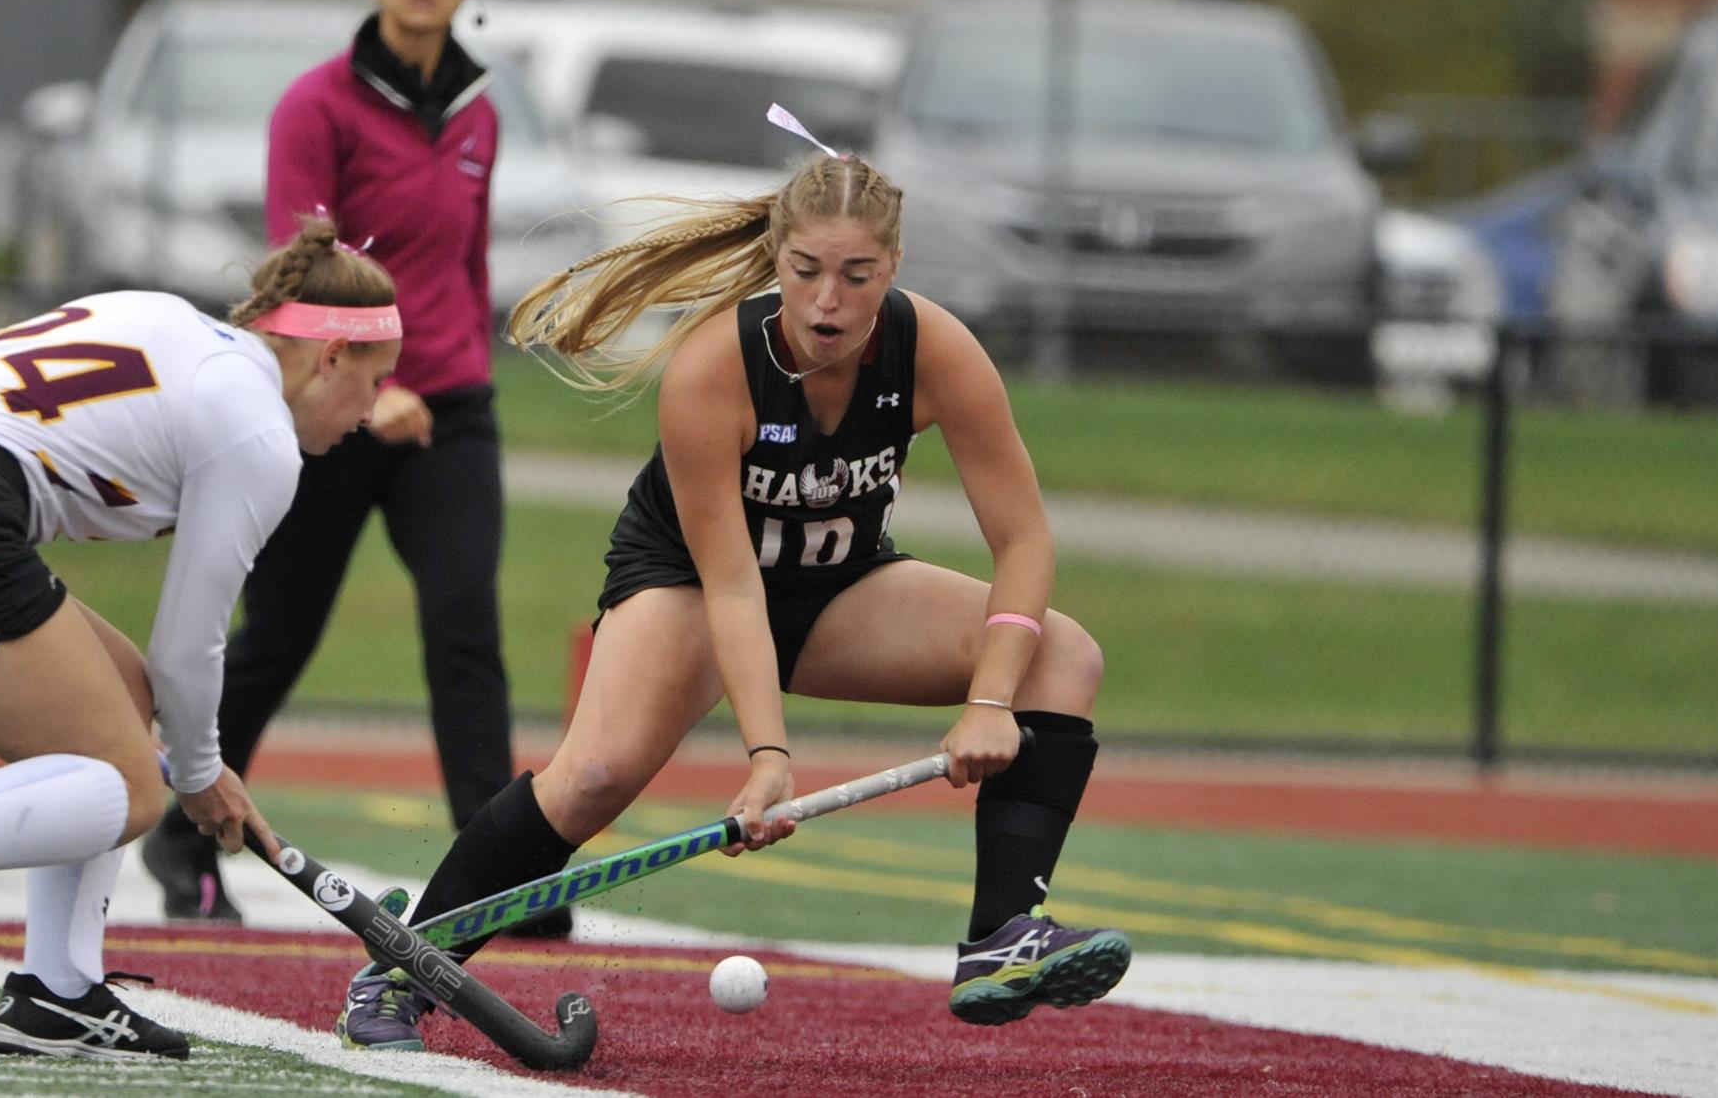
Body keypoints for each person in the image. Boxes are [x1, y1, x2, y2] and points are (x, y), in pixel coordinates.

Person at [329, 138, 1130, 1051]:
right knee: (591, 778)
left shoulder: (936, 348)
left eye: (859, 275)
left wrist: (991, 700)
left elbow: (1023, 539)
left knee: (1061, 655)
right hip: (689, 582)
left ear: (894, 267)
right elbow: (733, 584)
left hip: (838, 584)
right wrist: (767, 754)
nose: (830, 302)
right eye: (807, 271)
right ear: (777, 262)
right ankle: (403, 969)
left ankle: (1000, 940)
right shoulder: (715, 368)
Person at [0, 218, 401, 1060]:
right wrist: (198, 776)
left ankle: (59, 991)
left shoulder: (172, 322)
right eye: (375, 383)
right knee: (134, 786)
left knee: (126, 700)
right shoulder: (258, 431)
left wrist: (192, 754)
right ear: (330, 355)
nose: (373, 413)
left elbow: (160, 671)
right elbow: (191, 643)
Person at [135, 0, 569, 938]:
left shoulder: (479, 114)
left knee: (466, 626)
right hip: (336, 400)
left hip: (451, 407)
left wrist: (450, 374)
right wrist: (378, 380)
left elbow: (465, 269)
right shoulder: (314, 105)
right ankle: (184, 830)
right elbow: (304, 273)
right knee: (280, 630)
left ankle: (491, 872)